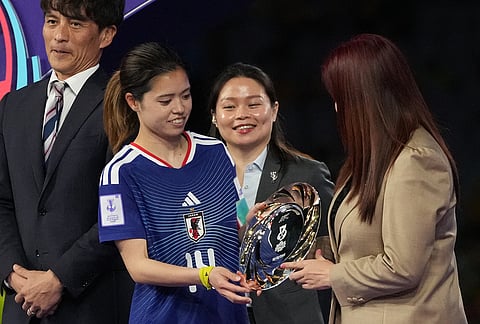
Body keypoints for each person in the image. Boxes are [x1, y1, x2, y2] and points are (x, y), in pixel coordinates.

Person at [282, 33, 468, 324]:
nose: (336, 108)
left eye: (340, 98)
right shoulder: (377, 156)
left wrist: (333, 275)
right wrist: (290, 244)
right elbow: (361, 243)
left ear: (365, 98)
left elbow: (403, 266)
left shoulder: (415, 161)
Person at [99, 42, 254, 324]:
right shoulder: (120, 173)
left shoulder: (217, 151)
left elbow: (238, 223)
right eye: (165, 101)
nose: (179, 109)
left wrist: (254, 224)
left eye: (185, 96)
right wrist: (205, 275)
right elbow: (138, 267)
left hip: (227, 315)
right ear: (134, 102)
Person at [0, 0, 134, 323]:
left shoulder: (122, 106)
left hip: (90, 306)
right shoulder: (13, 106)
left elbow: (121, 209)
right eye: (51, 21)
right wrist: (14, 276)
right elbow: (2, 202)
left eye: (75, 25)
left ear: (106, 34)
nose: (59, 36)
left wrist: (59, 279)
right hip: (21, 307)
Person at [208, 62, 335, 324]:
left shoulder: (307, 174)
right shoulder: (197, 178)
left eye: (254, 104)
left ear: (274, 110)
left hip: (288, 314)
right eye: (229, 107)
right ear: (214, 116)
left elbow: (332, 245)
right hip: (216, 311)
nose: (242, 114)